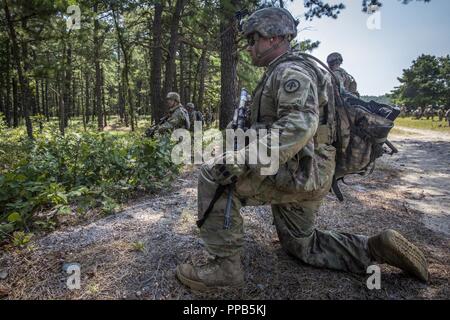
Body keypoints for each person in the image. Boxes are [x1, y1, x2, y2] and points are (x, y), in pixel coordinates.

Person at [175, 7, 428, 291]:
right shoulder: (292, 69)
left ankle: (225, 268)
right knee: (301, 244)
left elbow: (299, 125)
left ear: (274, 37)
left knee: (214, 174)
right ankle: (373, 248)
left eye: (253, 39)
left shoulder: (289, 71)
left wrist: (243, 158)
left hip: (297, 172)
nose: (248, 47)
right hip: (311, 174)